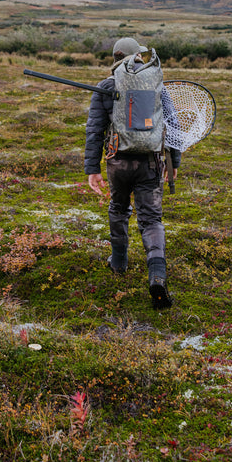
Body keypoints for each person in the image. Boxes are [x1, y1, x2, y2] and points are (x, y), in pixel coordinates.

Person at [84, 37, 182, 310]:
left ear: (116, 58)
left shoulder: (106, 86)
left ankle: (118, 263)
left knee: (118, 208)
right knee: (151, 220)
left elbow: (94, 131)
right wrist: (174, 165)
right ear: (139, 56)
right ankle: (157, 276)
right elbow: (172, 128)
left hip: (118, 163)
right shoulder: (158, 86)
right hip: (150, 163)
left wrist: (92, 168)